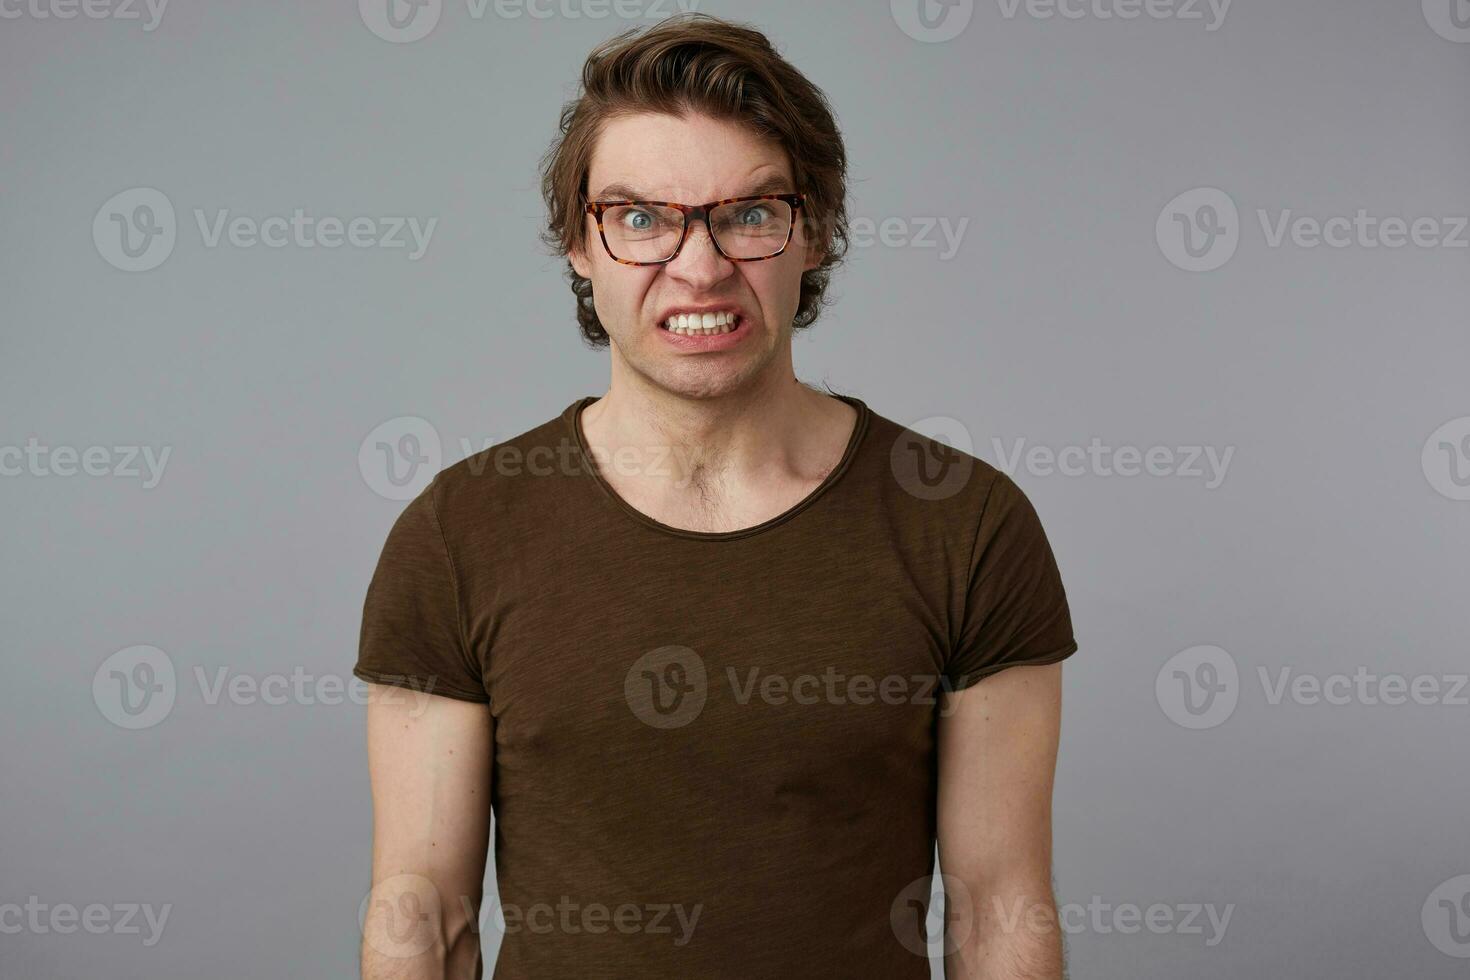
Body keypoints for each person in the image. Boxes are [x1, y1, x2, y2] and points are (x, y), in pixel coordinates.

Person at [355, 13, 1077, 978]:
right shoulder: (458, 534)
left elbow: (999, 913)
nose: (699, 267)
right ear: (579, 243)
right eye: (641, 217)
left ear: (811, 230)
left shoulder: (965, 524)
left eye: (747, 214)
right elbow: (423, 916)